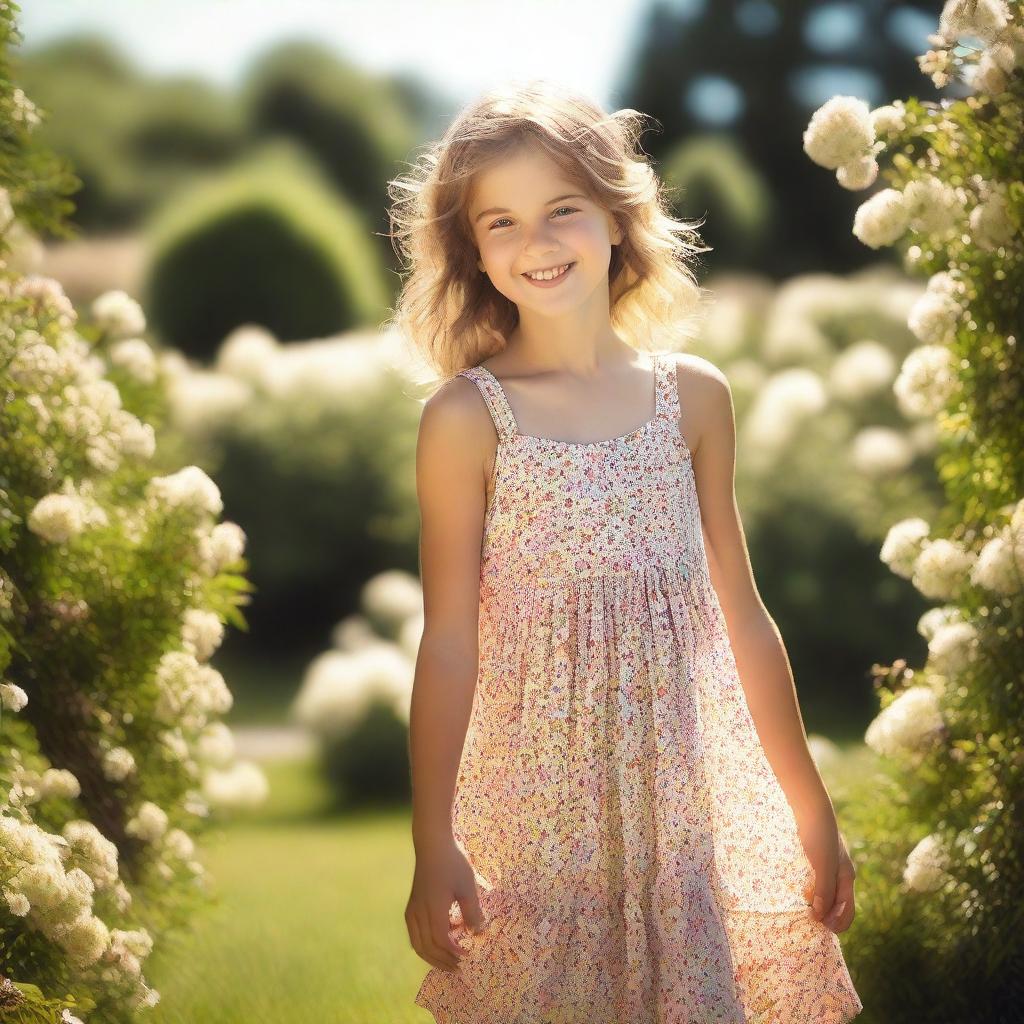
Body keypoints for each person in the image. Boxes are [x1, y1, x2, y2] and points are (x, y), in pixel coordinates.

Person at [388, 78, 864, 1023]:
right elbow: (447, 643)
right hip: (540, 823)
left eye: (563, 209)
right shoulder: (464, 420)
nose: (537, 242)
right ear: (474, 253)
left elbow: (744, 618)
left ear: (617, 216)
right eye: (502, 223)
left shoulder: (693, 400)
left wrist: (810, 806)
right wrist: (431, 836)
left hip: (686, 810)